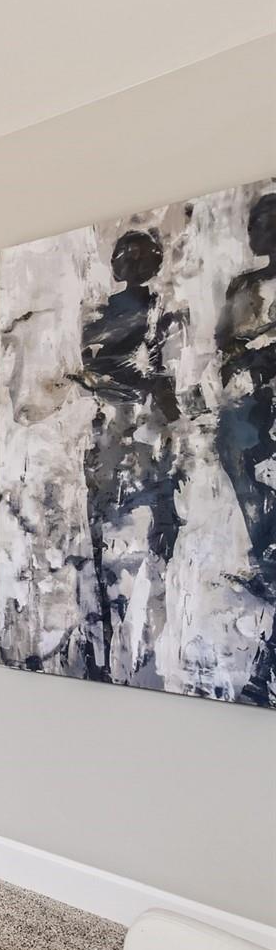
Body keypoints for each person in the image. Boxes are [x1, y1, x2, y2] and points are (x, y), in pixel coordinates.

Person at [72, 229, 184, 684]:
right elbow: (92, 371)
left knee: (156, 538)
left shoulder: (166, 314)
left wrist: (112, 382)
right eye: (125, 256)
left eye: (142, 258)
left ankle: (150, 646)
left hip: (149, 439)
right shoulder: (97, 316)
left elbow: (164, 385)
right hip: (106, 439)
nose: (132, 264)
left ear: (154, 264)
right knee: (101, 538)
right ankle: (103, 640)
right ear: (114, 264)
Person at [215, 192, 276, 706]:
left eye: (265, 222)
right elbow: (223, 344)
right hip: (242, 421)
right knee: (263, 534)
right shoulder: (242, 286)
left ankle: (263, 671)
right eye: (254, 222)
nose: (255, 230)